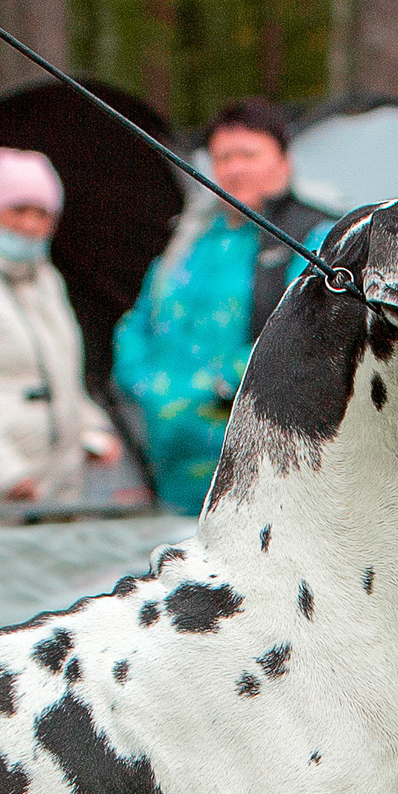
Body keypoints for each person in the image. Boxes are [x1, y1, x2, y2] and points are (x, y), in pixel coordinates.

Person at [111, 98, 332, 514]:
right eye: (223, 158)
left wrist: (215, 387)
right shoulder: (188, 239)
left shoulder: (311, 236)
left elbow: (308, 331)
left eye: (249, 155)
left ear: (284, 163)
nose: (235, 169)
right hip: (170, 473)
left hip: (265, 474)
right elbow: (135, 323)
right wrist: (147, 388)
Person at [0, 145, 121, 531]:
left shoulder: (46, 280)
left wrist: (90, 428)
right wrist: (7, 474)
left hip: (54, 495)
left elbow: (63, 376)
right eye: (18, 210)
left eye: (43, 213)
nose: (31, 225)